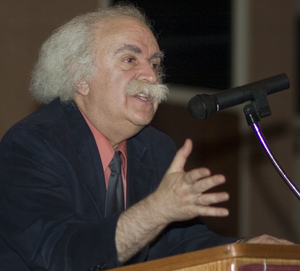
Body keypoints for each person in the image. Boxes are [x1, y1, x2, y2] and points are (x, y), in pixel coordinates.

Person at [0, 3, 294, 271]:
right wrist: (155, 212)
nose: (152, 76)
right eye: (130, 59)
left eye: (155, 64)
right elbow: (60, 253)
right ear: (80, 78)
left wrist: (247, 250)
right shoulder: (30, 145)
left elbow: (182, 244)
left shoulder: (155, 148)